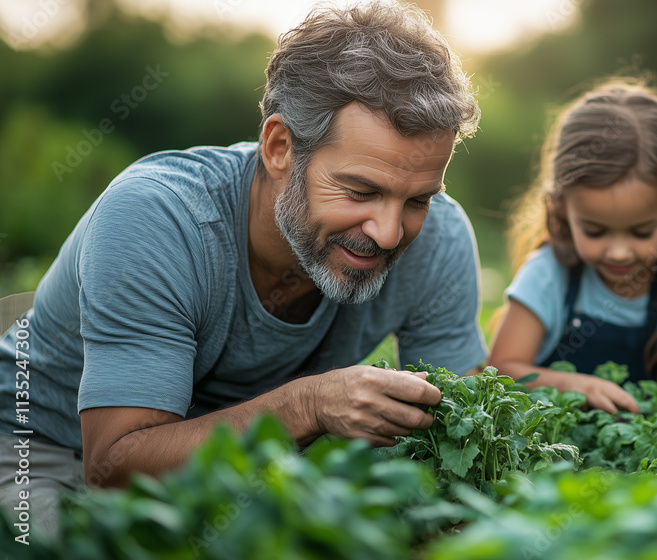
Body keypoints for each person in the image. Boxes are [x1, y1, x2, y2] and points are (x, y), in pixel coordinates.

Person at [0, 1, 485, 534]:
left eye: (417, 200)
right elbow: (113, 469)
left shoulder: (440, 238)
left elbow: (458, 440)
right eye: (360, 191)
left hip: (255, 467)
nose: (389, 233)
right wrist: (311, 405)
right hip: (46, 450)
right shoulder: (159, 217)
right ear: (280, 148)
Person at [488, 78, 657, 414]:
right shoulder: (548, 275)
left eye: (642, 232)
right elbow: (503, 371)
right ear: (561, 211)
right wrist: (573, 386)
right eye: (595, 231)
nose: (619, 252)